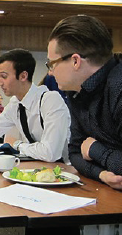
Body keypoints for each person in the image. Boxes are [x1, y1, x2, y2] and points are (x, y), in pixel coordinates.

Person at [47, 15, 122, 189]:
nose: (50, 73)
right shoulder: (77, 92)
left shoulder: (118, 87)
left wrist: (95, 149)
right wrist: (101, 174)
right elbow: (74, 152)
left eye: (52, 64)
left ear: (75, 61)